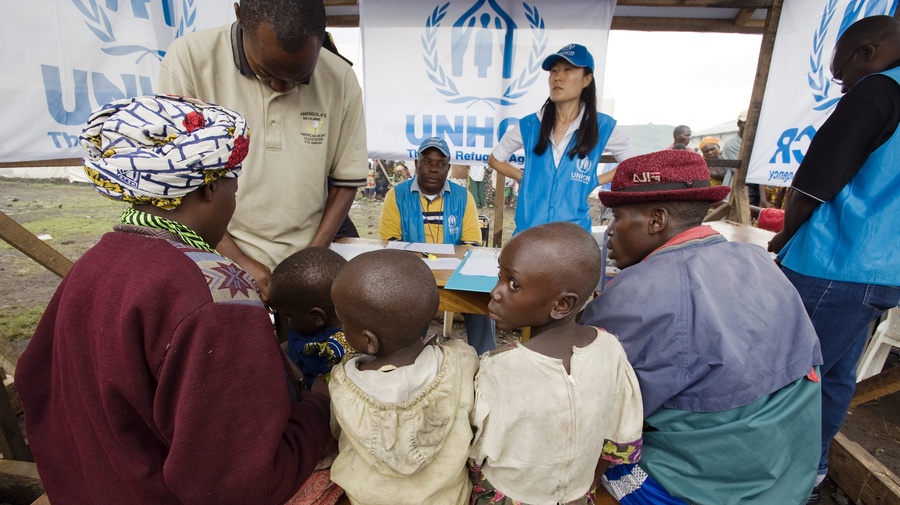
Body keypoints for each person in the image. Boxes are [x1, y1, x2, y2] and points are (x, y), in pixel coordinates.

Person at [16, 95, 332, 505]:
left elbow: (35, 380)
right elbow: (240, 485)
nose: (233, 201)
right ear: (211, 187)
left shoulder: (93, 264)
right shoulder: (218, 295)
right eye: (234, 187)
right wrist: (318, 408)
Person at [581, 150, 822, 504]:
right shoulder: (758, 260)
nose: (611, 232)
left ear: (656, 220)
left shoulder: (637, 293)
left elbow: (596, 403)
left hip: (709, 486)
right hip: (789, 472)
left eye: (617, 217)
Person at [767, 16, 900, 501]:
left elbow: (813, 183)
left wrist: (786, 236)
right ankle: (813, 471)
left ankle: (769, 478)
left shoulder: (876, 91)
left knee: (787, 374)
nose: (840, 83)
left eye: (841, 72)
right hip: (882, 268)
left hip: (834, 260)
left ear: (866, 52)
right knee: (835, 373)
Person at [158, 0, 368, 300]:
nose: (283, 88)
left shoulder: (340, 77)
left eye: (300, 78)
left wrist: (309, 262)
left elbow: (346, 181)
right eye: (268, 73)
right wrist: (237, 262)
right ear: (241, 17)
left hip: (304, 262)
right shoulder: (190, 60)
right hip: (211, 258)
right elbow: (181, 182)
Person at [469, 222, 643, 505]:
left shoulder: (499, 368)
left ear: (562, 305)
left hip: (508, 496)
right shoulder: (611, 349)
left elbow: (475, 454)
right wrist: (587, 485)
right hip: (579, 495)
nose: (495, 292)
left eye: (513, 284)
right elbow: (621, 434)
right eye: (500, 276)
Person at [328, 249, 479, 505]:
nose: (342, 328)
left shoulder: (344, 383)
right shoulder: (463, 362)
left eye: (344, 323)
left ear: (369, 341)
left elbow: (335, 432)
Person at [488, 43, 636, 235]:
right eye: (554, 71)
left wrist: (595, 180)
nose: (558, 77)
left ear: (587, 80)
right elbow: (495, 159)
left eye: (568, 70)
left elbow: (633, 165)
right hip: (529, 232)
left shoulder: (602, 126)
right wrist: (524, 176)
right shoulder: (530, 125)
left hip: (573, 235)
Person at [379, 137, 497, 355]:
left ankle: (485, 358)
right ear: (417, 164)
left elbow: (471, 243)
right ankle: (409, 358)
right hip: (412, 274)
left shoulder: (464, 197)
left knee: (482, 300)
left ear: (448, 168)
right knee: (410, 308)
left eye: (441, 164)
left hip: (454, 277)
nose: (433, 169)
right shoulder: (396, 195)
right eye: (427, 162)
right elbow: (390, 242)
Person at [268, 247, 352, 388]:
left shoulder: (337, 349)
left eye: (288, 316)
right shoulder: (304, 323)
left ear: (317, 317)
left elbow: (329, 391)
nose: (288, 322)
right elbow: (292, 344)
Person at [722, 110, 760, 204]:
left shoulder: (757, 141)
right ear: (739, 124)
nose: (750, 126)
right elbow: (743, 170)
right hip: (739, 186)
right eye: (746, 123)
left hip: (755, 185)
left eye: (753, 123)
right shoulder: (731, 144)